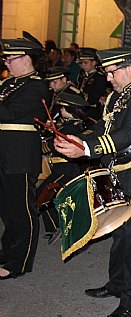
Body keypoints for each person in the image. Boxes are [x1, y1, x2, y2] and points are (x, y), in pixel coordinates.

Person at [54, 47, 131, 317]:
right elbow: (105, 127)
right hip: (117, 168)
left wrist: (88, 150)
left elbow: (127, 134)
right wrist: (79, 140)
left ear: (130, 69)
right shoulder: (120, 95)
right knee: (118, 232)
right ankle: (115, 284)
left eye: (113, 71)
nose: (110, 77)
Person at [0, 38, 50, 279]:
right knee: (6, 207)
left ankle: (19, 262)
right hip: (4, 152)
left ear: (26, 59)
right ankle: (7, 252)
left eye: (11, 58)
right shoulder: (9, 83)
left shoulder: (36, 86)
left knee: (22, 208)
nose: (7, 62)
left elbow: (7, 112)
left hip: (19, 153)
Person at [38, 92, 90, 244]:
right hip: (67, 168)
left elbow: (51, 147)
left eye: (62, 108)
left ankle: (57, 227)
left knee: (43, 196)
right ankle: (57, 227)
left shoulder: (69, 128)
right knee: (55, 198)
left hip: (65, 169)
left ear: (70, 110)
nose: (60, 111)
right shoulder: (76, 125)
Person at [77, 47, 108, 121]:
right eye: (81, 63)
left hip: (92, 112)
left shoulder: (99, 78)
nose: (83, 65)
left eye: (86, 62)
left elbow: (93, 98)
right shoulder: (82, 75)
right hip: (81, 109)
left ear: (94, 63)